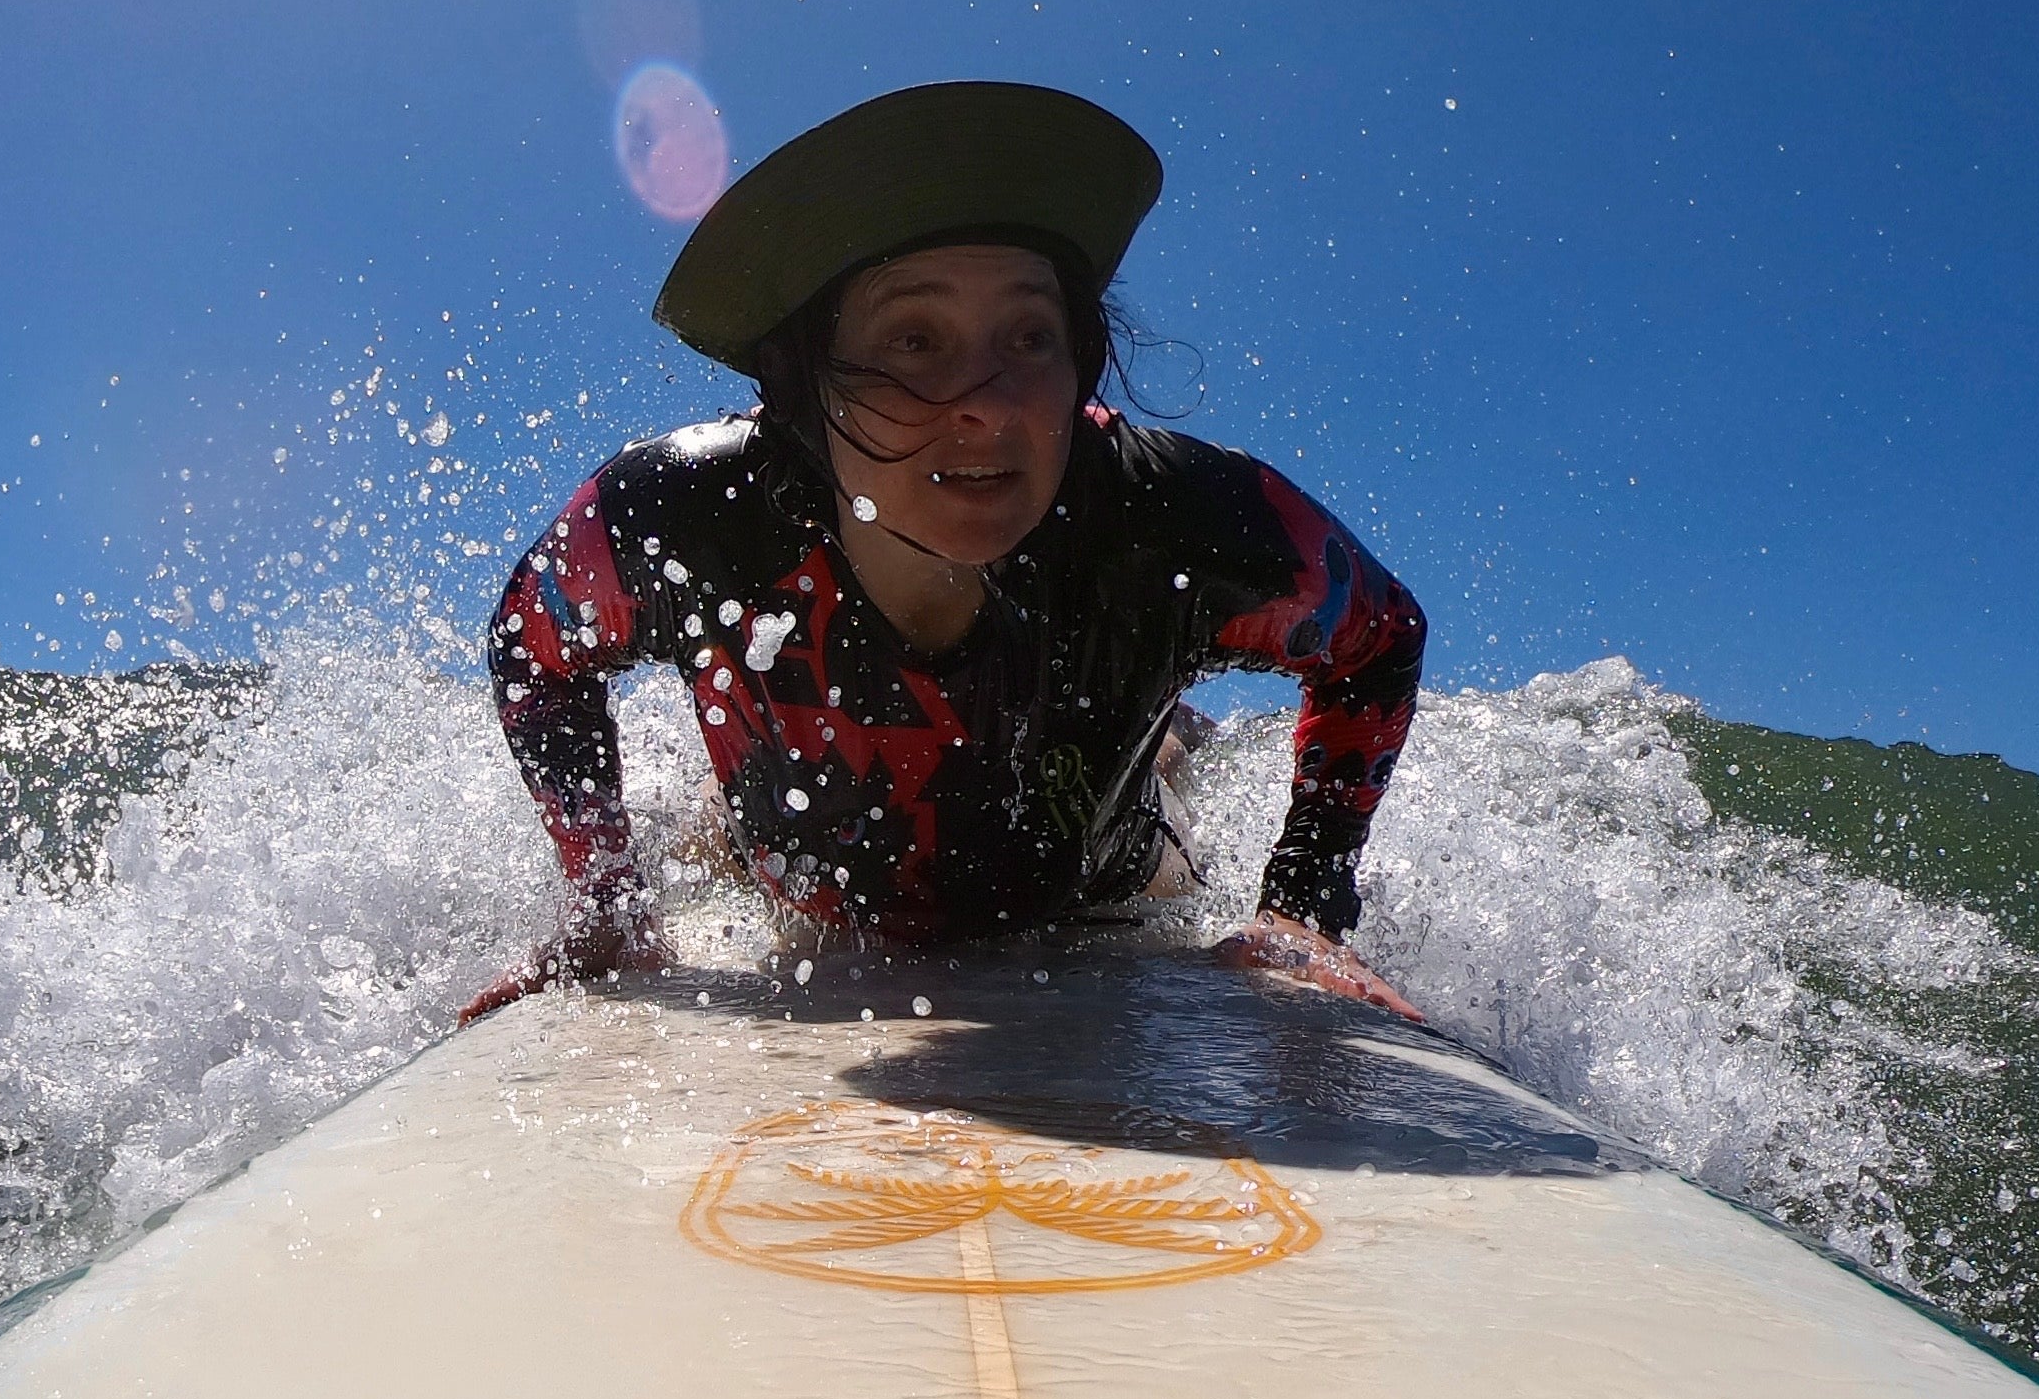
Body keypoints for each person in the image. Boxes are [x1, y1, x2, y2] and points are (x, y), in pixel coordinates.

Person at [465, 81, 1425, 1022]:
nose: (992, 402)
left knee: (1152, 816)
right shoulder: (685, 519)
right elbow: (530, 646)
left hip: (1096, 872)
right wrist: (606, 902)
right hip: (797, 841)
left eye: (1029, 335)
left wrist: (1303, 909)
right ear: (803, 385)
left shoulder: (1168, 515)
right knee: (731, 833)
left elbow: (1378, 637)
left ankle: (1170, 746)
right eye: (915, 338)